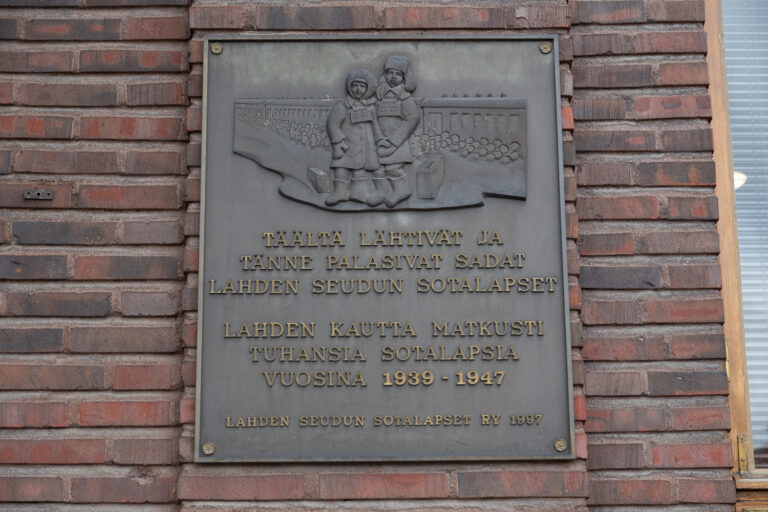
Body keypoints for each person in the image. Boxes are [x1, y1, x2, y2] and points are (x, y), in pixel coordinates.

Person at [325, 69, 382, 206]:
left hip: (364, 147)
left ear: (367, 89)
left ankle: (358, 193)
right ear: (350, 87)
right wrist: (338, 142)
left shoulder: (370, 107)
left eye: (362, 86)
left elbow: (375, 125)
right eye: (355, 85)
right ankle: (340, 192)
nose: (358, 89)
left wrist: (379, 140)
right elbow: (333, 124)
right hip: (347, 146)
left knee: (360, 169)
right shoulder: (343, 107)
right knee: (342, 168)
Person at [375, 55, 420, 207]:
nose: (394, 77)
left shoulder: (404, 98)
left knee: (394, 168)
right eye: (390, 73)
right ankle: (381, 192)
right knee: (378, 168)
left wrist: (394, 141)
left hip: (397, 141)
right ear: (385, 74)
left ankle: (402, 190)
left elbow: (413, 117)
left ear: (404, 77)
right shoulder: (378, 95)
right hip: (379, 139)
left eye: (398, 74)